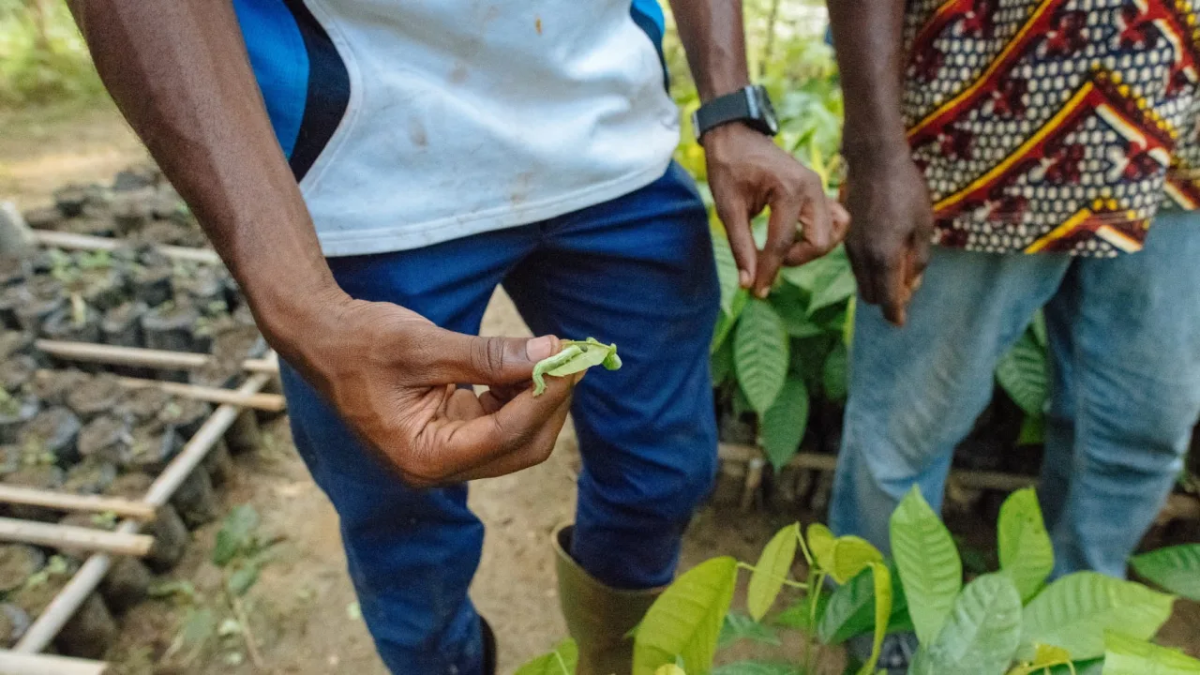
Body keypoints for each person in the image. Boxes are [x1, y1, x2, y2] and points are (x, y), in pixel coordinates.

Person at [68, 1, 848, 673]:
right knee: (403, 528)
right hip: (359, 174)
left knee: (664, 471)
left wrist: (731, 109)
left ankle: (614, 656)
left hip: (615, 149)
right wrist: (305, 305)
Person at [828, 0, 1200, 669]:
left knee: (1143, 428)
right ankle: (880, 650)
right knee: (904, 433)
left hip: (1178, 137)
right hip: (983, 127)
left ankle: (1061, 645)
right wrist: (876, 151)